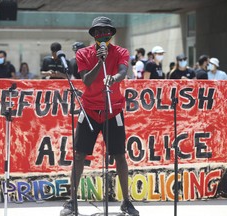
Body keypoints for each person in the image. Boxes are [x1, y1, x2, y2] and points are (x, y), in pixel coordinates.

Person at [60, 16, 139, 216]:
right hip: (89, 111)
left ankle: (126, 202)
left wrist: (114, 79)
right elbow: (86, 80)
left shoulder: (121, 51)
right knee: (79, 155)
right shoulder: (84, 54)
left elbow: (123, 71)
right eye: (98, 32)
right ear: (94, 35)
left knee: (120, 156)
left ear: (111, 34)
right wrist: (99, 61)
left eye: (106, 32)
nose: (102, 35)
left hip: (113, 109)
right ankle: (72, 201)